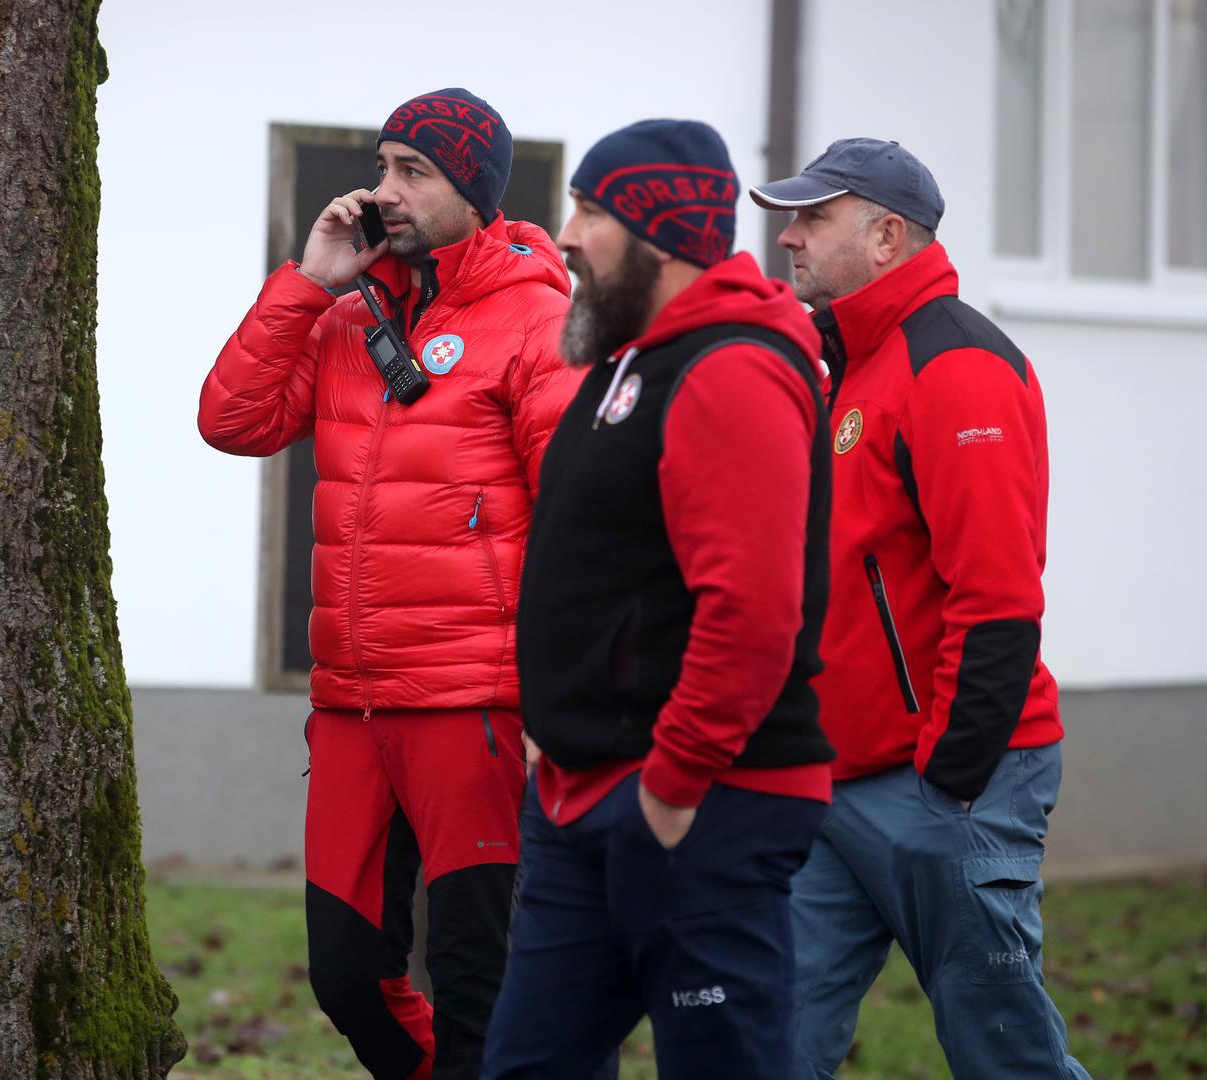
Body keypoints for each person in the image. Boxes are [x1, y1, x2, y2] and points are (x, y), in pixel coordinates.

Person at [197, 88, 579, 1080]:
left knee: (474, 978)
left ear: (476, 190)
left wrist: (555, 691)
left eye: (413, 171)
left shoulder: (537, 320)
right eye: (381, 168)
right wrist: (306, 282)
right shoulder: (345, 315)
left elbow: (574, 514)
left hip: (473, 702)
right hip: (353, 705)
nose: (383, 192)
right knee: (347, 977)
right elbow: (232, 421)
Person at [481, 119, 835, 1079]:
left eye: (591, 210)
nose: (562, 235)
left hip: (698, 806)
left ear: (661, 233)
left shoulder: (734, 369)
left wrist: (673, 791)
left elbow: (754, 611)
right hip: (582, 798)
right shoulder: (633, 362)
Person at [751, 137, 1091, 1078]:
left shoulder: (955, 365)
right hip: (837, 780)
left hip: (946, 782)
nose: (791, 238)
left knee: (1003, 1054)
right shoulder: (855, 365)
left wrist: (951, 776)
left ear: (888, 235)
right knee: (767, 1037)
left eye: (815, 217)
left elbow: (999, 597)